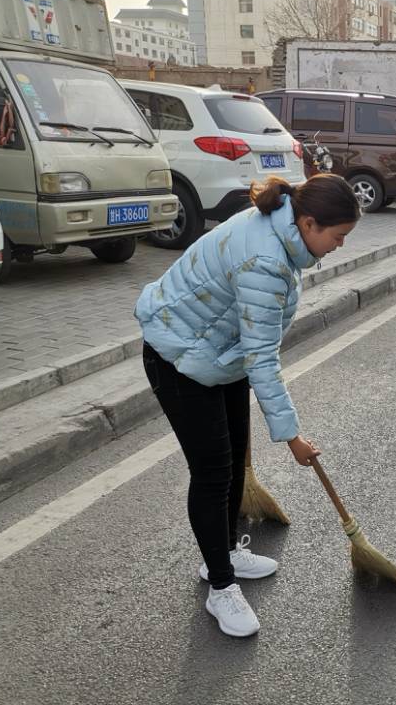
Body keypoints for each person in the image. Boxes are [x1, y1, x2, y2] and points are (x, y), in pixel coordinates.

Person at [135, 174, 360, 638]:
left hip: (219, 353)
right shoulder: (266, 259)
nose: (340, 245)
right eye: (338, 236)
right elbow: (263, 358)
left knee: (235, 458)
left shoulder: (282, 226)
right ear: (309, 223)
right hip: (178, 356)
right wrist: (292, 437)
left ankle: (226, 553)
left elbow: (254, 344)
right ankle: (220, 586)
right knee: (213, 472)